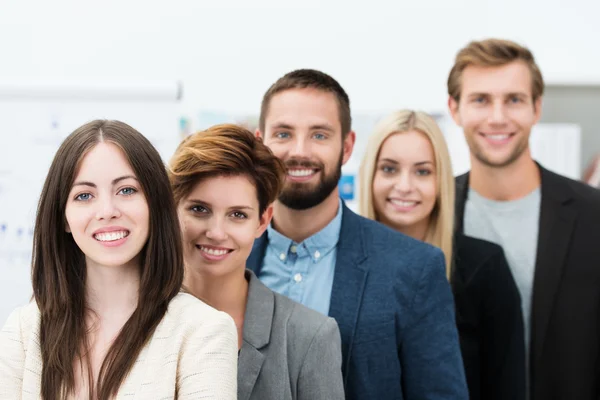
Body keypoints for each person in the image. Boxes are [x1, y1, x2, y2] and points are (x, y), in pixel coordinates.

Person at [247, 69, 468, 399]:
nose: (299, 151)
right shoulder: (226, 255)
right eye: (283, 134)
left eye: (319, 135)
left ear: (347, 146)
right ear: (260, 142)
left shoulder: (414, 268)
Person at [0, 120, 238, 399]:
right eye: (84, 195)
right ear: (63, 217)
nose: (107, 211)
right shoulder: (24, 329)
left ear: (155, 204)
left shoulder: (204, 331)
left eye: (126, 190)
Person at [448, 38, 600, 400]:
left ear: (536, 108)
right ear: (454, 109)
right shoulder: (431, 211)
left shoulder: (593, 215)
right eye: (481, 100)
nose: (497, 117)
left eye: (514, 99)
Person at [358, 109, 526, 400]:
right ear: (369, 175)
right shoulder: (344, 264)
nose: (405, 186)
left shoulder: (484, 267)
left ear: (442, 181)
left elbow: (507, 385)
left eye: (422, 171)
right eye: (389, 169)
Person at [169, 123, 345, 400]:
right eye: (199, 209)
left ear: (263, 220)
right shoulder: (132, 320)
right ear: (171, 208)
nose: (216, 232)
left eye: (237, 214)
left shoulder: (309, 336)